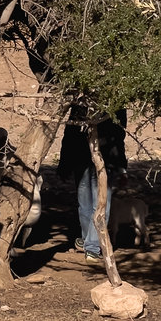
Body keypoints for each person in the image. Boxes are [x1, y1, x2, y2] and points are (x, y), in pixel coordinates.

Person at [58, 110, 126, 259]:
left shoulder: (80, 104)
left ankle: (89, 242)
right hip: (103, 161)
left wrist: (64, 166)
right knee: (99, 204)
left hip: (83, 160)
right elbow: (119, 137)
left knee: (87, 204)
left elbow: (69, 136)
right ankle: (92, 246)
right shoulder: (114, 107)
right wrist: (121, 166)